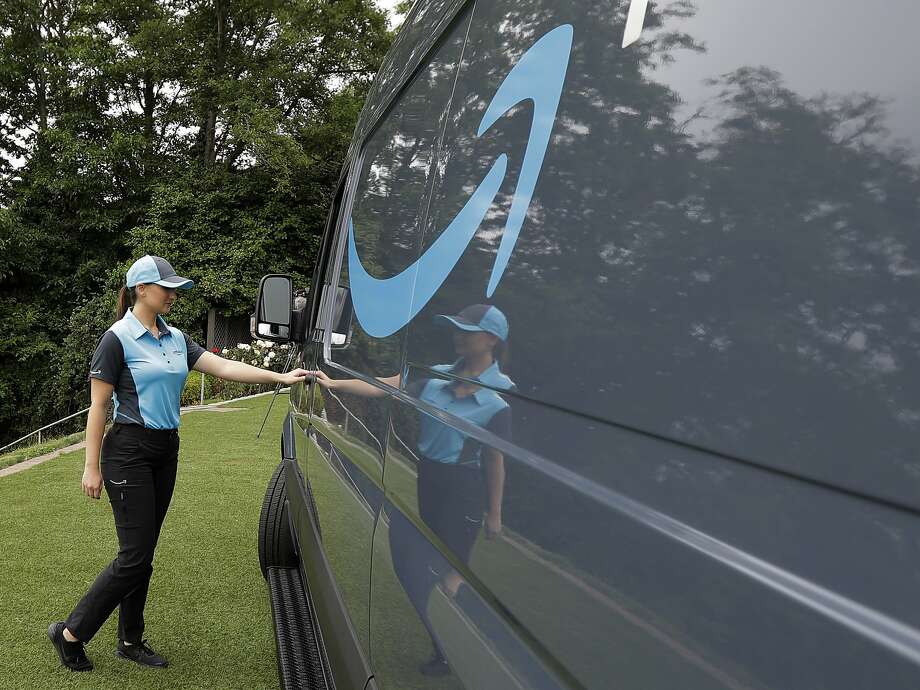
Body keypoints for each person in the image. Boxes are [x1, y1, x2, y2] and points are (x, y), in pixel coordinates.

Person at [47, 254, 310, 672]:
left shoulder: (174, 338)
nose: (173, 294)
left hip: (165, 450)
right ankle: (70, 633)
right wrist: (90, 466)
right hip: (128, 451)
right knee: (134, 556)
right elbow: (98, 408)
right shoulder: (116, 339)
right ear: (141, 290)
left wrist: (279, 378)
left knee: (143, 552)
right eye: (166, 287)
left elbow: (222, 366)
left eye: (174, 288)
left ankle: (130, 639)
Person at [307, 303, 515, 676]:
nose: (456, 335)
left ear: (490, 340)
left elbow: (496, 460)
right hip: (429, 482)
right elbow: (383, 387)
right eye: (455, 328)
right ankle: (443, 638)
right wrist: (335, 382)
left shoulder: (499, 399)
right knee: (412, 564)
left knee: (447, 578)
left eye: (465, 331)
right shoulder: (434, 379)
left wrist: (495, 514)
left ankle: (452, 652)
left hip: (463, 492)